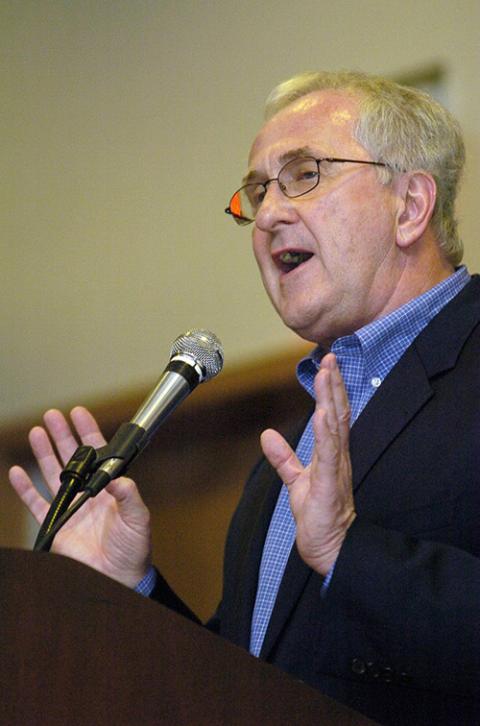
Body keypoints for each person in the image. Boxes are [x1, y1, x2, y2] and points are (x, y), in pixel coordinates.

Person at [9, 71, 480, 725]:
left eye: (305, 174)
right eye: (257, 191)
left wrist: (348, 550)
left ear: (409, 206)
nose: (271, 215)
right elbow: (236, 688)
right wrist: (132, 589)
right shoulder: (286, 455)